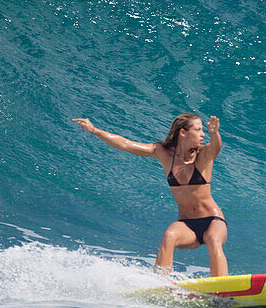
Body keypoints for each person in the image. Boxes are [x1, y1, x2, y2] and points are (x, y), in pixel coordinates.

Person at [72, 113, 227, 277]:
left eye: (204, 130)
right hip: (187, 224)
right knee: (169, 236)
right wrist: (94, 130)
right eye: (198, 130)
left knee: (213, 240)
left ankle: (222, 289)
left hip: (212, 220)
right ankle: (161, 285)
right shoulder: (164, 152)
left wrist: (214, 132)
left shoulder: (203, 155)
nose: (203, 134)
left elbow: (215, 148)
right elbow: (125, 144)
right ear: (183, 132)